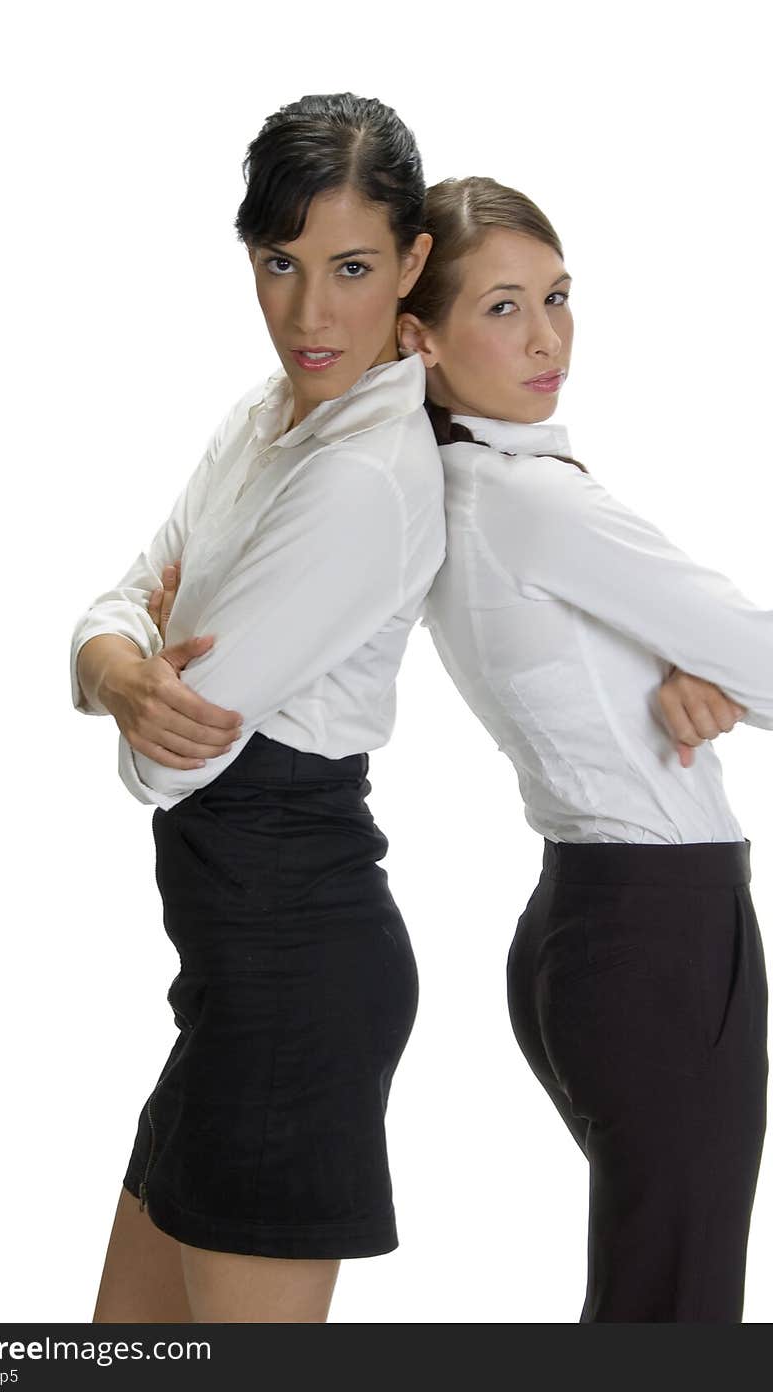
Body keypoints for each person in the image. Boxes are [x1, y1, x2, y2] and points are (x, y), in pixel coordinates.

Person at [69, 93, 442, 1324]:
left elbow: (168, 766)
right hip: (229, 981)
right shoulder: (261, 417)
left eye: (349, 268)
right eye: (278, 264)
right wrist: (124, 670)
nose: (307, 312)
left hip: (296, 973)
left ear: (411, 264)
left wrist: (133, 680)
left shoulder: (367, 476)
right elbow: (115, 607)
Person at [395, 175, 771, 1322]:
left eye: (558, 296)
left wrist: (704, 668)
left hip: (585, 927)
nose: (548, 336)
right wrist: (721, 666)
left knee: (650, 1303)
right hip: (661, 932)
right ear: (419, 337)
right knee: (673, 1315)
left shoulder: (453, 489)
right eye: (502, 307)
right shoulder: (533, 503)